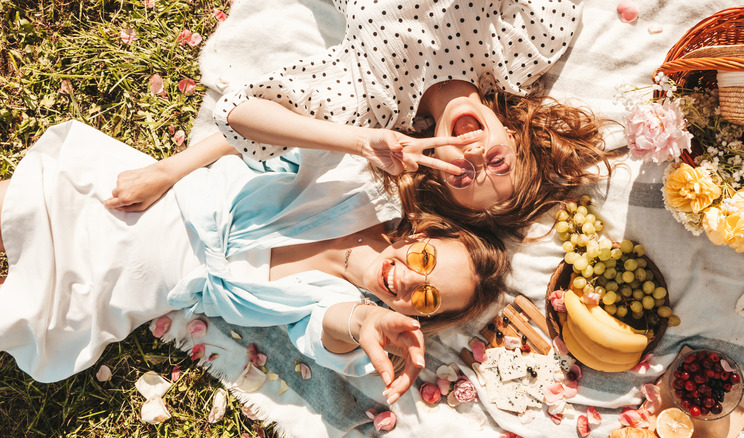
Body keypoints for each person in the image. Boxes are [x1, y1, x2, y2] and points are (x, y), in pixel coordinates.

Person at [0, 120, 508, 404]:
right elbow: (255, 128)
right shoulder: (355, 183)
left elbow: (327, 332)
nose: (408, 279)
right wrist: (168, 169)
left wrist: (366, 319)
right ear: (422, 234)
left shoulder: (339, 304)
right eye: (424, 259)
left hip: (128, 289)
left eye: (425, 296)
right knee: (22, 208)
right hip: (151, 205)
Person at [207, 0, 613, 238]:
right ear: (514, 138)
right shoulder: (521, 51)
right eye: (496, 162)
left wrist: (359, 141)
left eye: (463, 176)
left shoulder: (376, 105)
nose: (472, 156)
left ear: (435, 176)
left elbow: (236, 112)